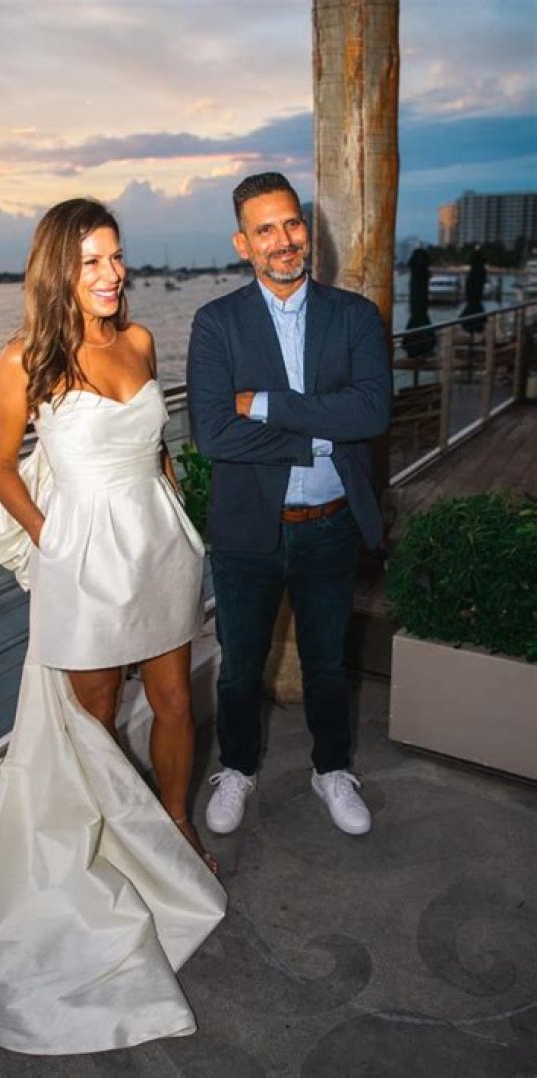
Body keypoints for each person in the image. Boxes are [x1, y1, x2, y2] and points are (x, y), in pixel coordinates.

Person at [0, 199, 225, 1055]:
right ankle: (101, 855)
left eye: (117, 257)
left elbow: (155, 445)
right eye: (92, 261)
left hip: (158, 547)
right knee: (92, 725)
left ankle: (173, 830)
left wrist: (174, 501)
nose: (111, 274)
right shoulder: (23, 359)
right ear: (58, 269)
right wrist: (51, 540)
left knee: (175, 702)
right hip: (84, 561)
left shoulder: (139, 341)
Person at [187, 172, 391, 839]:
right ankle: (237, 768)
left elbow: (372, 413)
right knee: (240, 667)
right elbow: (214, 433)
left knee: (328, 663)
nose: (284, 240)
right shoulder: (216, 323)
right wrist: (320, 434)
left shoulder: (354, 315)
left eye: (292, 223)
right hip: (248, 531)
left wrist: (266, 405)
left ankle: (331, 769)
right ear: (242, 243)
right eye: (266, 229)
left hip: (330, 525)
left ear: (307, 228)